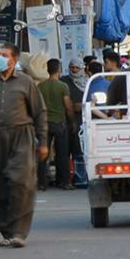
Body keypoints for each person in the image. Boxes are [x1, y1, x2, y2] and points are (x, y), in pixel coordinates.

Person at [0, 43, 48, 249]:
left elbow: (40, 113)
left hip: (21, 136)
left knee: (20, 182)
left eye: (3, 55)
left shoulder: (26, 83)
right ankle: (6, 230)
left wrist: (43, 143)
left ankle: (19, 232)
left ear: (14, 60)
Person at [37, 59, 74, 191]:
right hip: (60, 124)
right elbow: (68, 106)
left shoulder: (40, 86)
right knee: (62, 154)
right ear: (59, 69)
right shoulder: (63, 86)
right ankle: (64, 182)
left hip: (44, 124)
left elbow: (37, 106)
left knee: (42, 154)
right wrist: (72, 121)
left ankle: (41, 183)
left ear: (47, 69)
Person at [60, 58, 87, 187]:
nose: (74, 70)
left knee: (81, 149)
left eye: (77, 68)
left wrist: (82, 106)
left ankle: (82, 178)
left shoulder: (87, 82)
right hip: (68, 119)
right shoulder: (64, 81)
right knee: (70, 149)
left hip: (83, 119)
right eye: (72, 68)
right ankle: (71, 178)